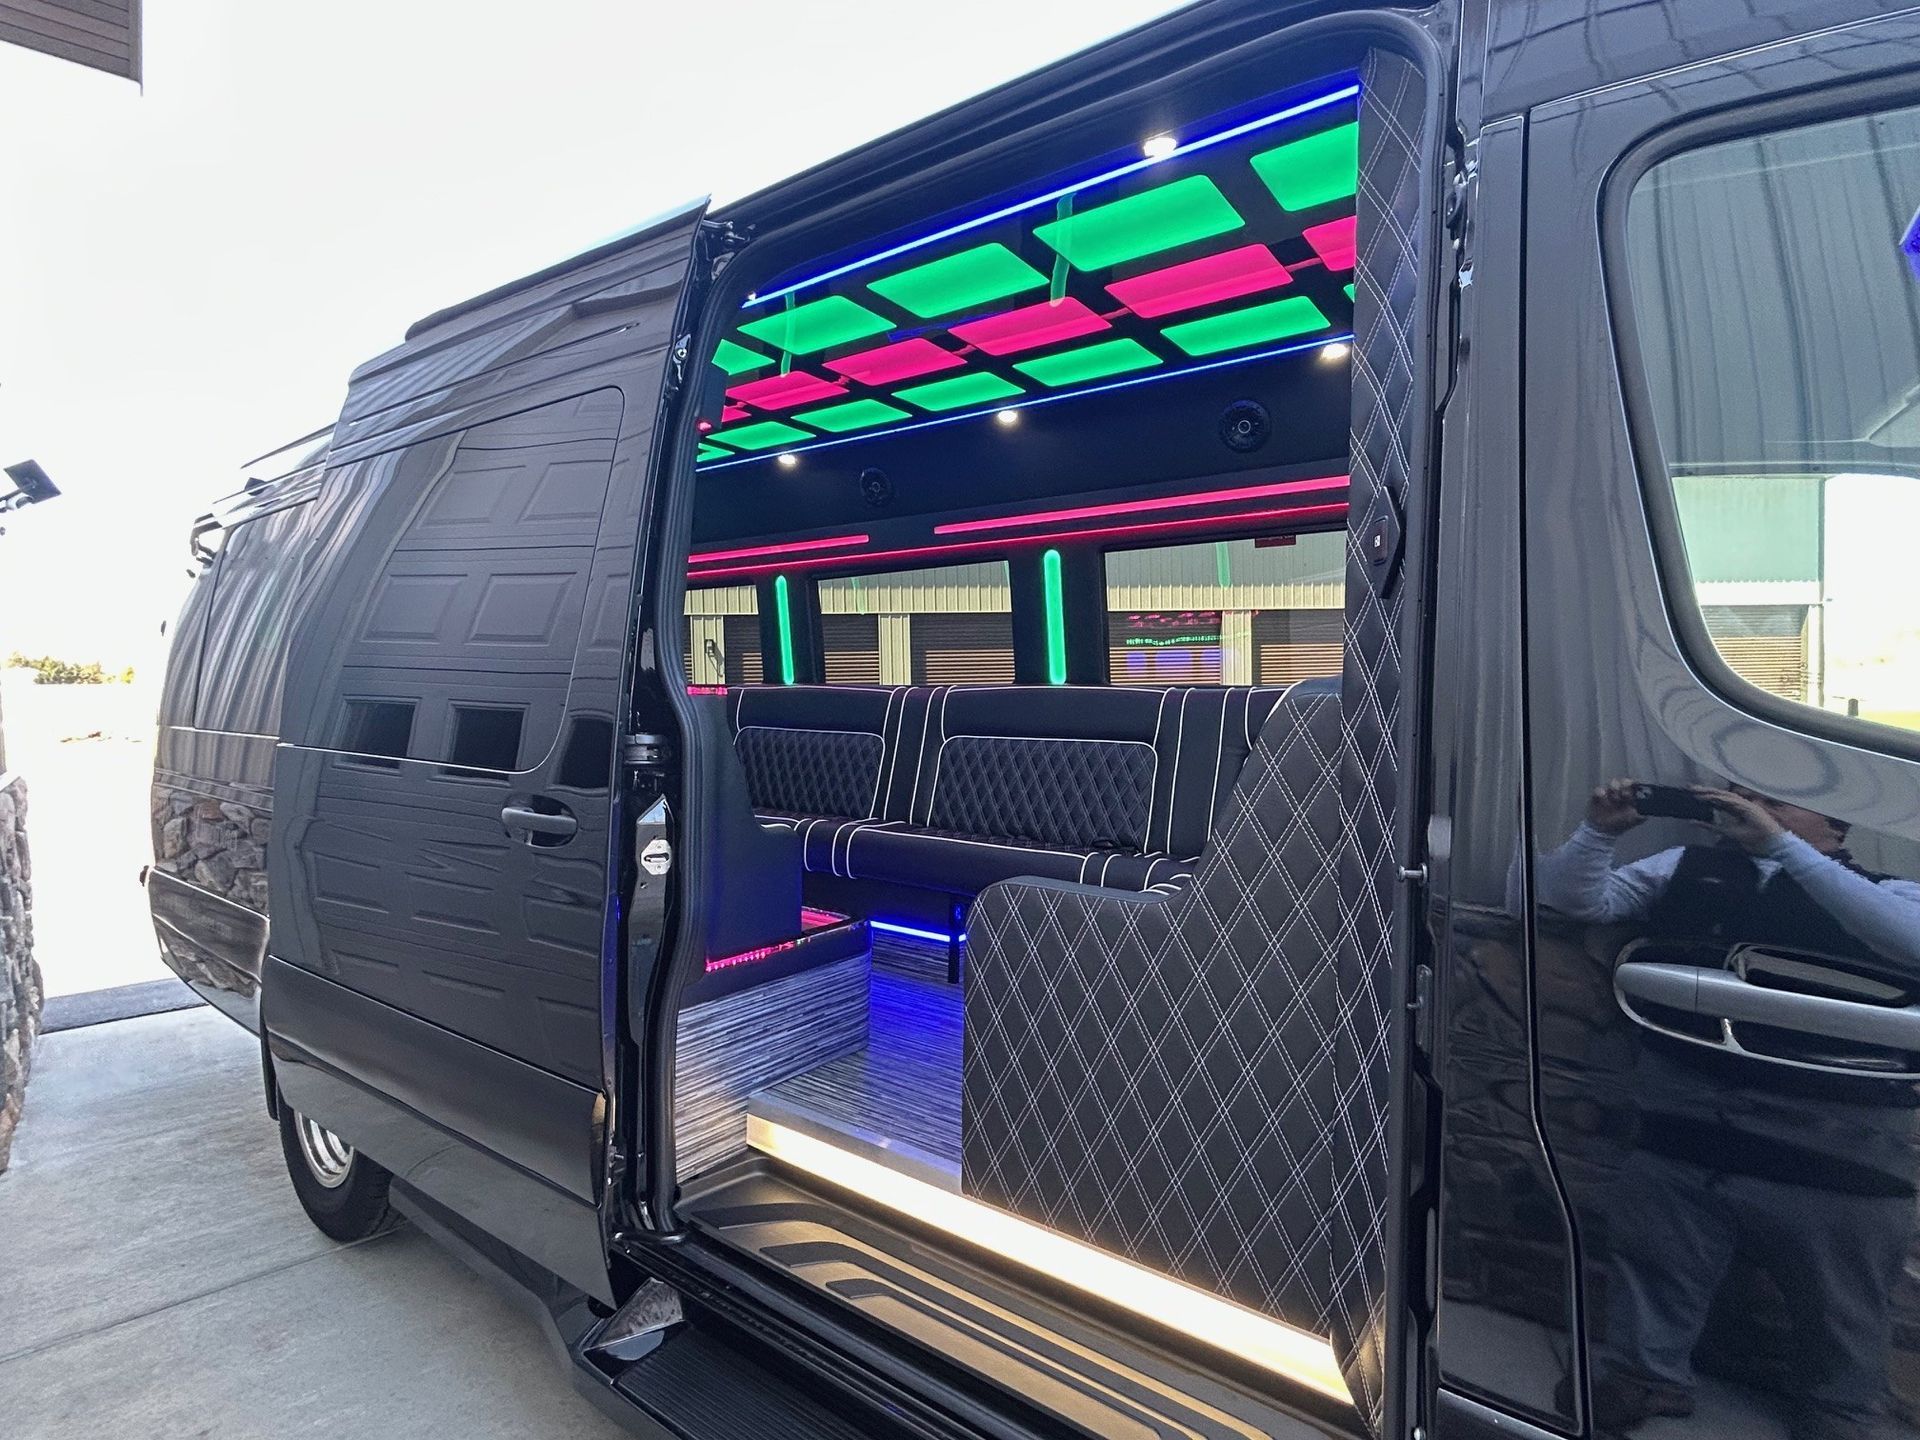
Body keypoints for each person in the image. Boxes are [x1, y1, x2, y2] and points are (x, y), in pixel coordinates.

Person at [1537, 781, 1920, 1439]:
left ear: (1836, 823)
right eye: (1743, 794)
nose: (1752, 806)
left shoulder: (1893, 891)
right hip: (1689, 1108)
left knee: (1843, 1296)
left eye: (1778, 799)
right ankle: (1644, 1375)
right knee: (1655, 1257)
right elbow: (1572, 900)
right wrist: (1599, 833)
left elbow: (1909, 941)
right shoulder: (1685, 865)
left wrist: (1782, 849)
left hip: (1838, 1139)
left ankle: (1842, 1408)